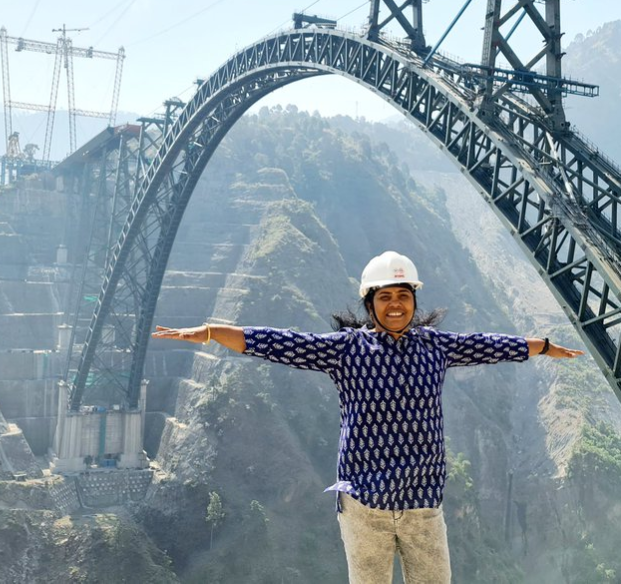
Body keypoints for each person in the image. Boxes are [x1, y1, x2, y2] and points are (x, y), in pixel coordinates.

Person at [152, 250, 582, 584]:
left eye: (402, 296)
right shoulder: (345, 351)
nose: (395, 304)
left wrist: (541, 345)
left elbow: (491, 345)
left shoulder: (437, 346)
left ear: (414, 300)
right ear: (370, 303)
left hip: (422, 504)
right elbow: (278, 342)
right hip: (364, 507)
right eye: (385, 296)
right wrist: (211, 332)